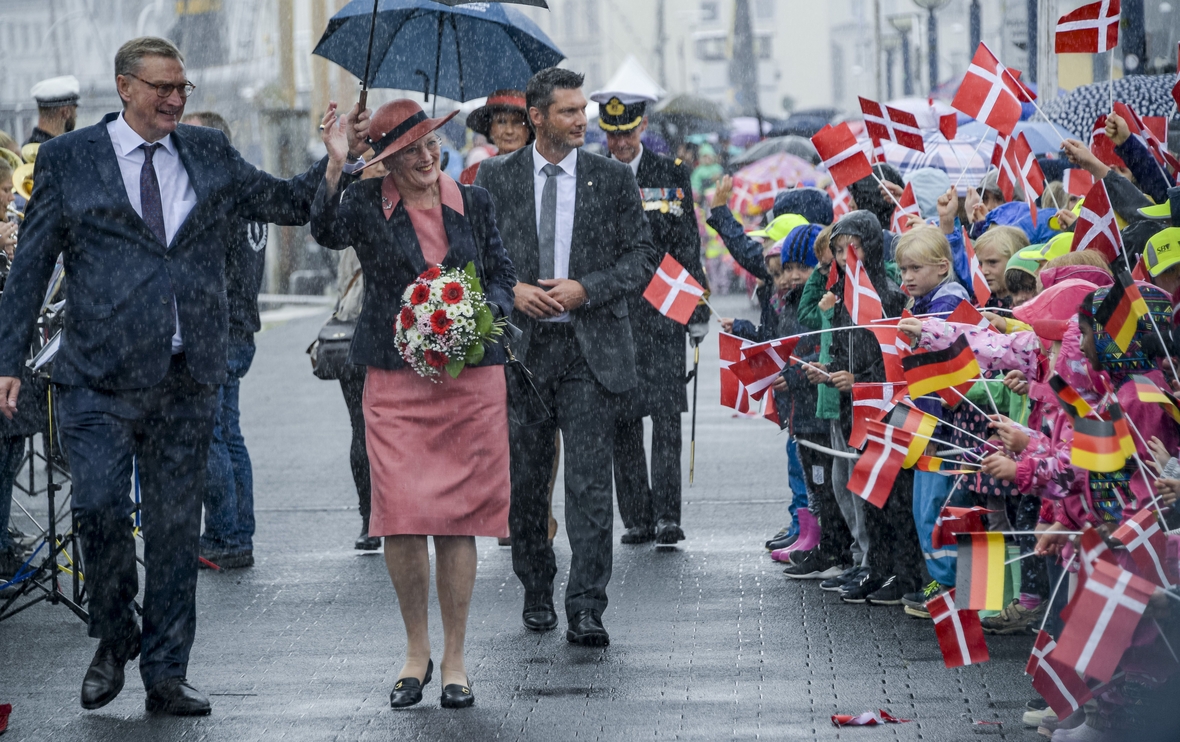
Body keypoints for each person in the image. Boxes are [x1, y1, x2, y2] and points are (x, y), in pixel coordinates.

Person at [0, 36, 370, 716]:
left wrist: (336, 159)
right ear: (124, 86)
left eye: (183, 88)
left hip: (185, 374)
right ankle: (115, 633)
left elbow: (288, 202)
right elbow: (30, 266)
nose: (174, 98)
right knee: (98, 510)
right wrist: (9, 360)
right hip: (97, 378)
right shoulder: (67, 160)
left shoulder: (208, 154)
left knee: (174, 530)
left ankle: (166, 673)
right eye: (162, 87)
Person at [311, 98, 516, 708]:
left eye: (430, 145)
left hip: (469, 380)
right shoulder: (366, 206)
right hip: (396, 381)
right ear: (388, 160)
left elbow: (503, 277)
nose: (426, 157)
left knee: (458, 519)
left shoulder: (474, 201)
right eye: (409, 150)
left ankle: (454, 658)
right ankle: (415, 651)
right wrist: (337, 164)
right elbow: (322, 230)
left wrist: (476, 316)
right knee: (399, 514)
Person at [474, 67, 658, 646]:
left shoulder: (610, 177)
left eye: (584, 110)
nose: (584, 120)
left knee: (587, 483)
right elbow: (474, 259)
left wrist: (586, 287)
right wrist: (512, 292)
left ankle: (586, 604)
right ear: (536, 118)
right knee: (527, 483)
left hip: (588, 347)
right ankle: (536, 589)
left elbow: (641, 258)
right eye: (570, 111)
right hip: (523, 351)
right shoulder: (492, 178)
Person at [590, 85, 709, 546]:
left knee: (666, 416)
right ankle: (636, 516)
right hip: (613, 312)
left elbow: (686, 244)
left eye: (627, 132)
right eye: (611, 134)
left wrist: (694, 306)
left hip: (662, 311)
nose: (620, 143)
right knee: (622, 419)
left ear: (641, 127)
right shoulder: (592, 175)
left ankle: (667, 517)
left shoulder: (670, 173)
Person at [180, 111, 268, 570]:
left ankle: (224, 534)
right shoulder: (247, 192)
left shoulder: (220, 193)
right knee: (229, 432)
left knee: (212, 434)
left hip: (220, 327)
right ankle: (238, 532)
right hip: (241, 324)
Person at [330, 149, 387, 552]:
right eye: (374, 162)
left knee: (373, 432)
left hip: (393, 338)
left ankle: (384, 516)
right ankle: (371, 516)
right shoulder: (357, 214)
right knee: (363, 431)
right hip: (363, 336)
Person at [458, 90, 532, 185]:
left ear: (528, 129)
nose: (509, 131)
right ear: (490, 129)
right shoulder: (473, 175)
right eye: (501, 122)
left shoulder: (544, 172)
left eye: (517, 122)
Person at [24, 75, 79, 145]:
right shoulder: (61, 149)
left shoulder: (29, 150)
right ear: (66, 112)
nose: (76, 115)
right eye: (74, 110)